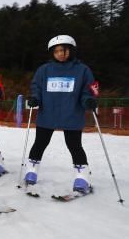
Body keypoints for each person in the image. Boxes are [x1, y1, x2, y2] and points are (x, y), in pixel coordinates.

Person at [24, 35, 96, 194]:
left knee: (74, 145)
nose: (60, 53)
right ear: (52, 53)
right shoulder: (44, 69)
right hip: (48, 113)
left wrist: (88, 100)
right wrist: (35, 98)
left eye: (64, 50)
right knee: (40, 143)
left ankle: (82, 176)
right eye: (56, 51)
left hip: (72, 113)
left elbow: (88, 89)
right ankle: (32, 170)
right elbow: (36, 87)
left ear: (71, 50)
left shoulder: (82, 69)